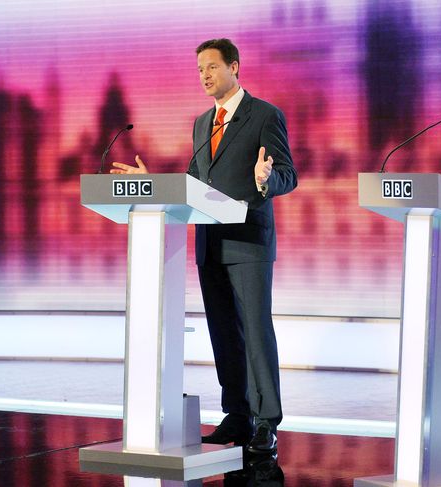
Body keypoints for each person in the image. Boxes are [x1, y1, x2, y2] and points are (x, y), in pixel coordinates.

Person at [111, 38, 297, 454]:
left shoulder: (264, 115)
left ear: (234, 67)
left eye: (212, 67)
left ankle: (267, 420)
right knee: (223, 333)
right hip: (209, 240)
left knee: (254, 331)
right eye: (199, 69)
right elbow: (195, 183)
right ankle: (237, 412)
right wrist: (155, 182)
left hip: (248, 240)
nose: (205, 75)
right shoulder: (201, 123)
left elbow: (288, 174)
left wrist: (266, 180)